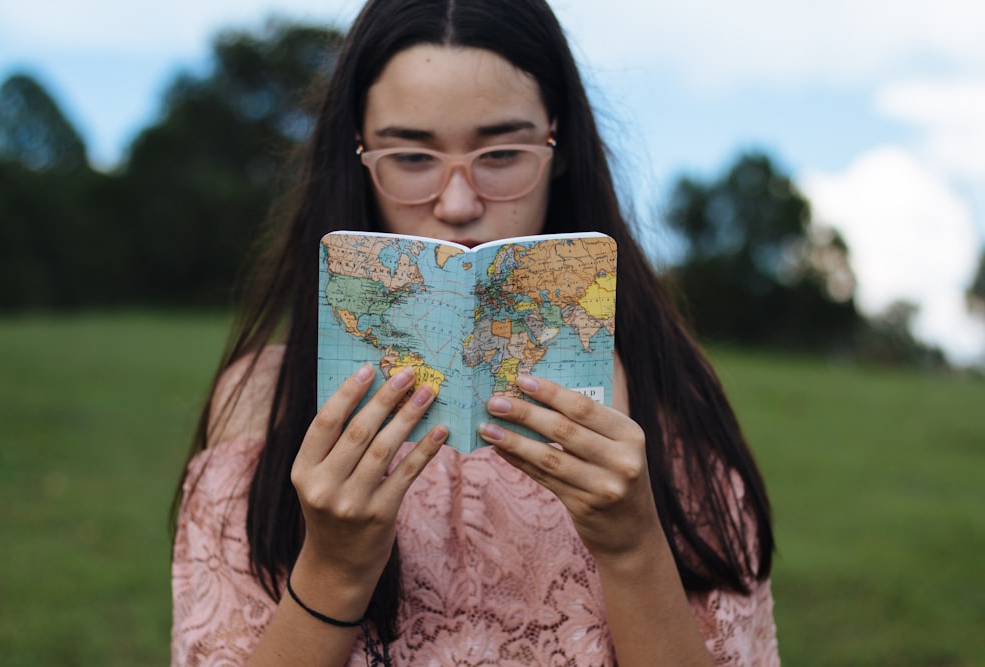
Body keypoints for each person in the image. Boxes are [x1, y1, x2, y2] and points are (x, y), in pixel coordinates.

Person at [170, 0, 779, 664]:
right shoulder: (264, 404)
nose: (458, 204)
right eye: (411, 157)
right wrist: (335, 570)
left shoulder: (668, 399)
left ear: (560, 147)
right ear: (359, 158)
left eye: (502, 153)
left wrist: (633, 546)